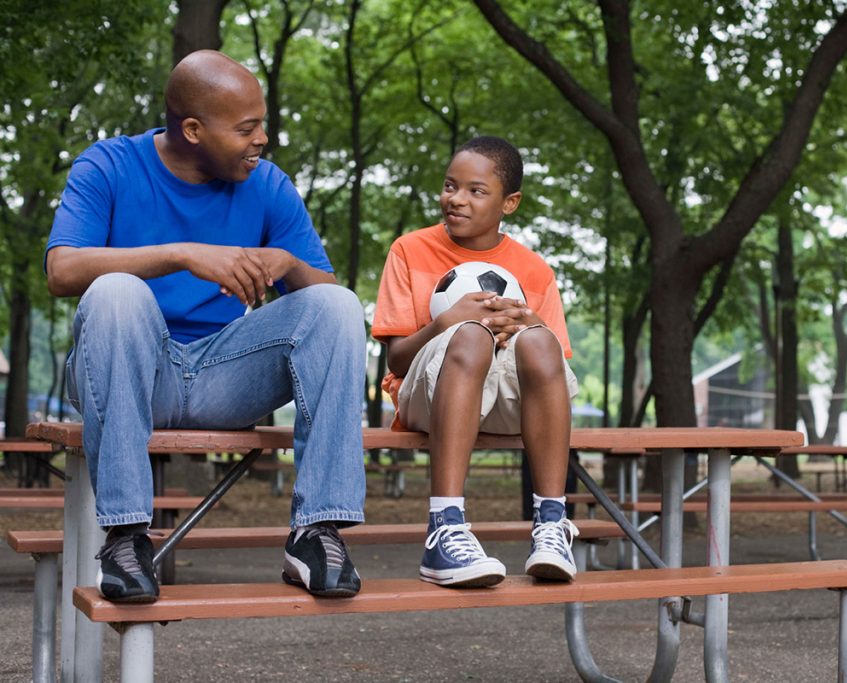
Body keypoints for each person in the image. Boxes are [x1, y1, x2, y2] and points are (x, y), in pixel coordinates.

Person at [45, 50, 366, 602]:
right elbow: (62, 269)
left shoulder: (266, 184)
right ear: (193, 129)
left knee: (337, 305)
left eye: (261, 123)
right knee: (117, 291)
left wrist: (289, 264)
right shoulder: (109, 165)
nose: (262, 139)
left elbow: (325, 311)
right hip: (128, 372)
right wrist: (181, 254)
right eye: (247, 128)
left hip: (222, 371)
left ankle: (317, 531)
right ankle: (125, 536)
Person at [371, 136, 579, 587]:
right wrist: (446, 321)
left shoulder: (535, 270)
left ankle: (551, 522)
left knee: (541, 341)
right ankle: (444, 526)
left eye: (475, 191)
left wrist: (527, 324)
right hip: (429, 400)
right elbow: (398, 360)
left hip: (510, 407)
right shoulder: (409, 250)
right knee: (469, 336)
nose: (456, 200)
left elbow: (551, 371)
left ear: (510, 203)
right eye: (450, 186)